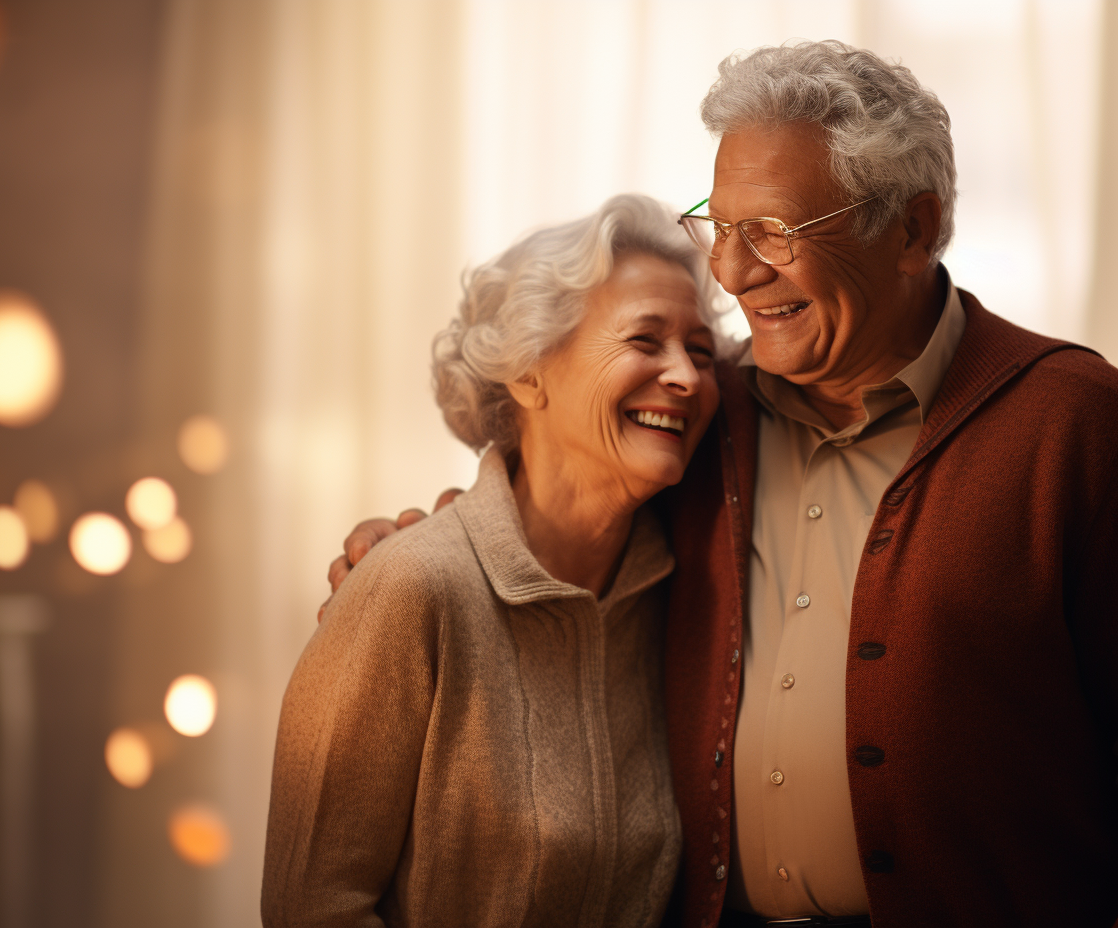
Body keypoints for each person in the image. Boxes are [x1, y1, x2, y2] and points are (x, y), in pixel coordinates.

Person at [327, 41, 1118, 928]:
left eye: (776, 233)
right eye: (722, 227)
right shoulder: (703, 417)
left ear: (914, 229)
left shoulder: (1073, 421)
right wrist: (407, 548)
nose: (734, 274)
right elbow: (550, 516)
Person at [262, 194, 721, 927]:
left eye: (701, 353)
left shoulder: (678, 596)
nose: (689, 379)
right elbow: (313, 909)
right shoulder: (408, 586)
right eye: (645, 341)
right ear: (529, 372)